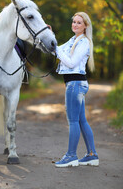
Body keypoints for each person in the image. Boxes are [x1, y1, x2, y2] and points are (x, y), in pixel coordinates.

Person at [55, 12, 99, 168]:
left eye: (79, 22)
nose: (75, 24)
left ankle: (71, 156)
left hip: (75, 84)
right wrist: (48, 34)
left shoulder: (84, 42)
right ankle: (91, 155)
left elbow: (72, 63)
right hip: (75, 83)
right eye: (73, 21)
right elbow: (55, 47)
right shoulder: (72, 40)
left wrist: (57, 51)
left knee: (73, 121)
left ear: (85, 26)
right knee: (81, 120)